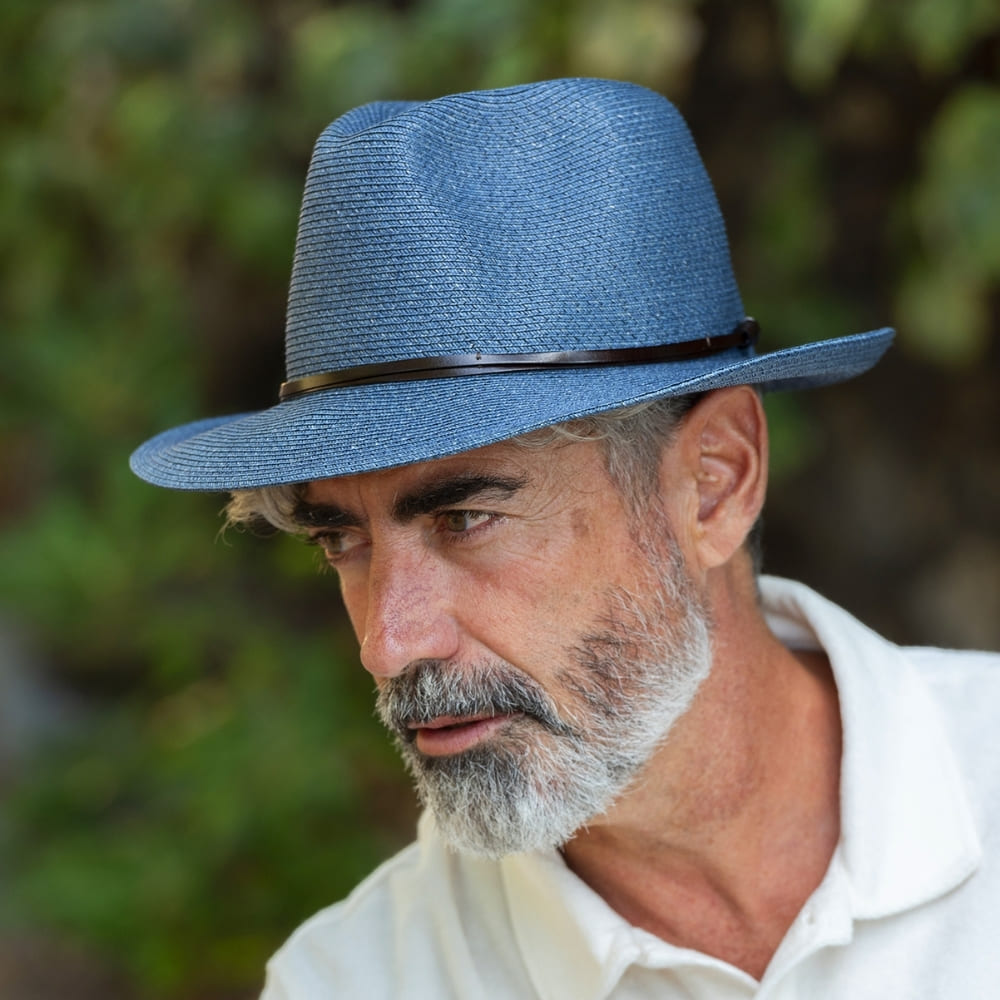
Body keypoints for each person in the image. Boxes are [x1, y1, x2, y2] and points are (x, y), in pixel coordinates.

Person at [131, 79, 1000, 998]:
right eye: (341, 541)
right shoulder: (354, 980)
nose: (387, 643)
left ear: (716, 483)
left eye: (466, 519)